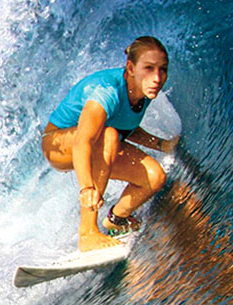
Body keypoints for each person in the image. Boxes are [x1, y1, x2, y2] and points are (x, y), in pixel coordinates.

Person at [41, 36, 179, 252]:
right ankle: (87, 234)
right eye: (149, 68)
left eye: (163, 70)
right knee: (109, 136)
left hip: (97, 141)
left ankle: (116, 219)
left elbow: (126, 125)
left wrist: (163, 145)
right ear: (131, 68)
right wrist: (87, 187)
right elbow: (83, 142)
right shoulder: (107, 93)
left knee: (154, 178)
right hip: (58, 143)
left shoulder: (144, 90)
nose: (157, 77)